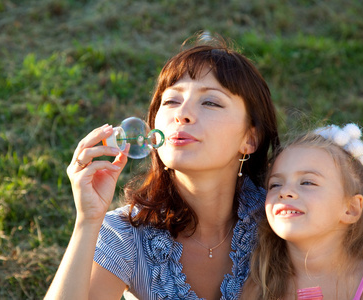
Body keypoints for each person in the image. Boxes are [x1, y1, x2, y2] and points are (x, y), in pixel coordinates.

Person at [45, 33, 279, 300]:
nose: (182, 114)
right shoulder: (128, 233)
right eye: (171, 101)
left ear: (250, 138)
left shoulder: (277, 220)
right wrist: (88, 221)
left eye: (211, 102)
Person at [241, 123, 363, 299]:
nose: (284, 192)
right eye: (275, 184)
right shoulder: (258, 288)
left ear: (350, 209)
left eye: (307, 182)